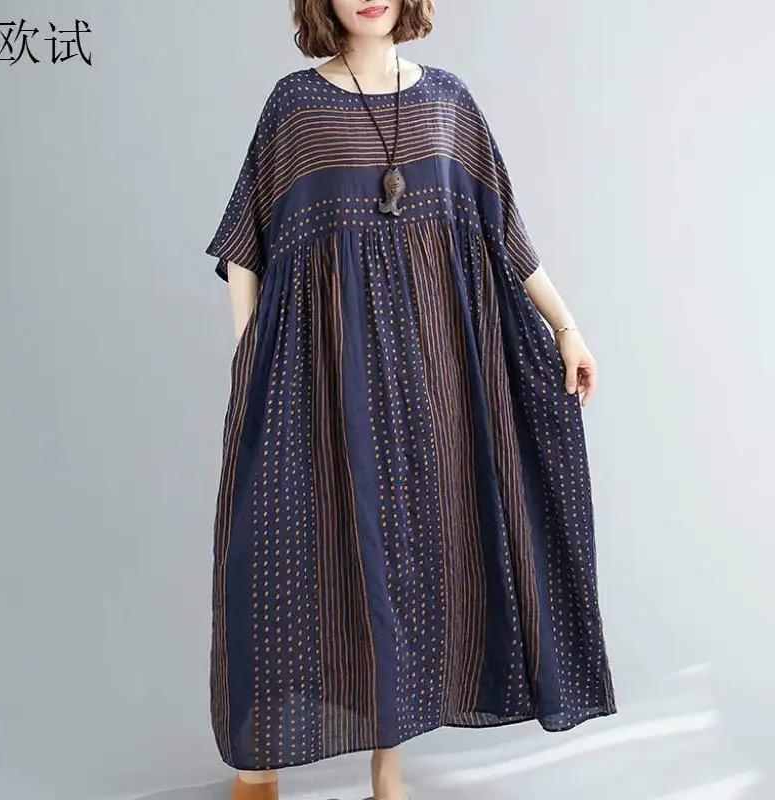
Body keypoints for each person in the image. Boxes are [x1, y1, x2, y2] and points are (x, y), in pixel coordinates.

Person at [204, 2, 617, 798]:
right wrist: (250, 356)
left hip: (437, 377)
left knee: (414, 558)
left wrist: (566, 327)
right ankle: (258, 766)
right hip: (322, 376)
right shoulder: (296, 104)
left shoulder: (448, 100)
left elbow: (503, 228)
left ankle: (388, 769)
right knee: (290, 552)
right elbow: (247, 241)